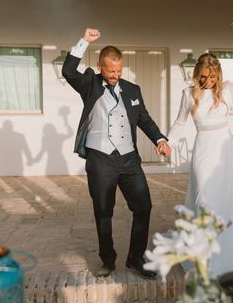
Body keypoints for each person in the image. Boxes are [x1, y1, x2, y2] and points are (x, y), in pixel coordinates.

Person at [62, 28, 171, 280]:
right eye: (111, 71)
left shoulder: (132, 90)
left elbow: (145, 119)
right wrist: (84, 42)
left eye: (119, 71)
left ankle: (135, 259)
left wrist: (160, 139)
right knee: (103, 211)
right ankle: (108, 260)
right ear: (100, 66)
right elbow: (68, 71)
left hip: (129, 158)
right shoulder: (89, 84)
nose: (115, 76)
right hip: (100, 158)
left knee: (144, 206)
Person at [167, 35, 233, 277]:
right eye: (204, 76)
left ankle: (221, 262)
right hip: (203, 150)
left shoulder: (229, 90)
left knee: (224, 206)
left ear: (218, 75)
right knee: (203, 201)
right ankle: (201, 258)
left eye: (213, 77)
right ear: (197, 73)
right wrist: (166, 142)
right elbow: (180, 123)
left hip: (224, 152)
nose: (208, 81)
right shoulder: (189, 94)